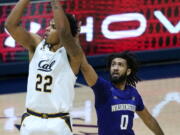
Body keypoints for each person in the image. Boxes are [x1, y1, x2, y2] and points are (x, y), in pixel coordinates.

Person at [5, 0, 83, 135]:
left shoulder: (73, 54)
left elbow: (64, 32)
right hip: (31, 120)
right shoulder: (36, 45)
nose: (46, 28)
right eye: (49, 25)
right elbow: (10, 25)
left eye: (53, 27)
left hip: (58, 122)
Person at [80, 51, 164, 135]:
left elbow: (148, 119)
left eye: (120, 65)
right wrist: (75, 43)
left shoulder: (133, 93)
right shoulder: (103, 88)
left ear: (128, 71)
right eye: (113, 64)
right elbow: (85, 67)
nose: (115, 68)